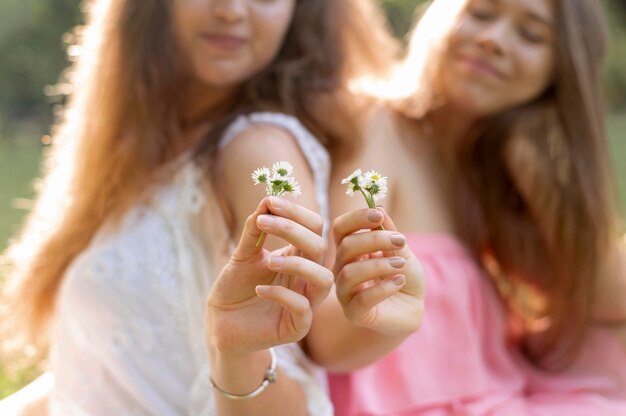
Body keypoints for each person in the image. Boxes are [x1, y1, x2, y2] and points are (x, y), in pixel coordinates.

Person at [0, 0, 397, 414]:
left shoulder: (258, 152)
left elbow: (284, 389)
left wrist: (240, 356)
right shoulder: (138, 154)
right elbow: (102, 377)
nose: (230, 10)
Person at [325, 0, 626, 414]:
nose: (493, 41)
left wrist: (534, 169)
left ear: (560, 72)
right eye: (481, 14)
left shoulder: (492, 176)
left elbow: (613, 298)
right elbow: (324, 328)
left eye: (532, 35)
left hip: (505, 398)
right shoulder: (377, 128)